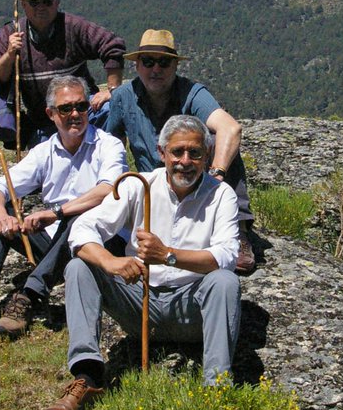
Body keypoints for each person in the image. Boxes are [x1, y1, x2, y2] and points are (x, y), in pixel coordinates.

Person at [41, 115, 241, 410]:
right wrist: (111, 262)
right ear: (162, 153)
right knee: (81, 267)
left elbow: (227, 255)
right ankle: (88, 376)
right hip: (140, 301)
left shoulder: (221, 194)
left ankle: (216, 391)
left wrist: (168, 256)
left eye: (195, 153)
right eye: (177, 152)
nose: (185, 161)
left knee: (225, 281)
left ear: (207, 155)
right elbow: (84, 227)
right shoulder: (140, 185)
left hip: (192, 308)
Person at [0, 75, 126, 336]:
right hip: (56, 240)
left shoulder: (108, 146)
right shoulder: (44, 152)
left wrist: (56, 213)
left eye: (81, 106)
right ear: (51, 114)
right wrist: (0, 216)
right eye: (66, 108)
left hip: (97, 241)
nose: (75, 114)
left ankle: (29, 296)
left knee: (81, 218)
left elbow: (108, 190)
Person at [104, 29, 256, 273]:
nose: (156, 69)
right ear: (137, 66)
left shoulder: (192, 92)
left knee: (219, 143)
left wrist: (216, 174)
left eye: (164, 62)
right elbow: (110, 145)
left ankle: (239, 230)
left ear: (175, 66)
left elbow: (231, 128)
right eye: (148, 61)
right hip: (154, 188)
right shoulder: (123, 97)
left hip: (195, 179)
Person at [0, 0, 125, 148]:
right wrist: (9, 54)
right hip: (44, 120)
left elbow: (113, 45)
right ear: (24, 6)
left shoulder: (73, 26)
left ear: (56, 3)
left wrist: (112, 90)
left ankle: (108, 157)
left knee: (112, 109)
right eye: (34, 3)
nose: (41, 7)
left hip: (84, 109)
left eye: (47, 2)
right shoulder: (10, 34)